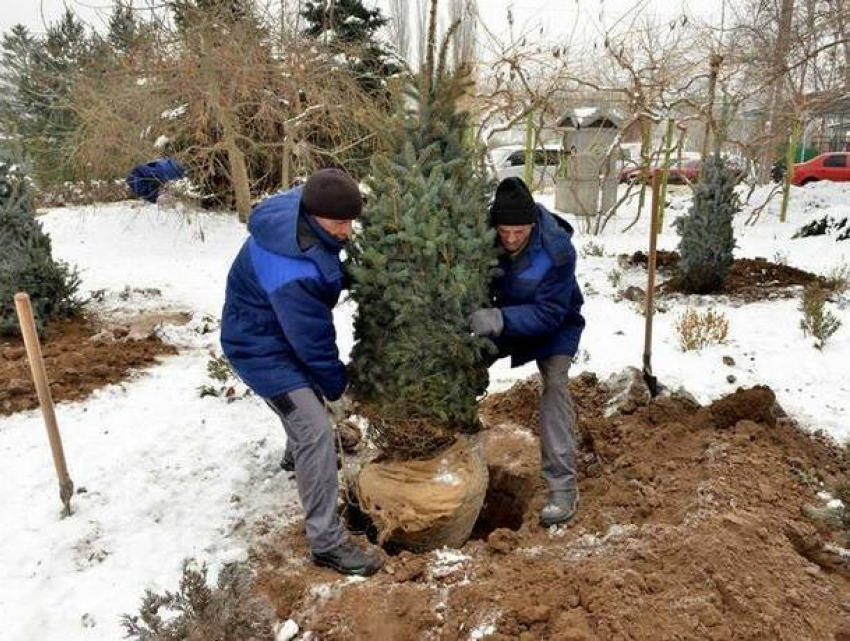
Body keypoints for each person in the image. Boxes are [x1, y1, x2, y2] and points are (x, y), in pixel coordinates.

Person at [220, 168, 382, 576]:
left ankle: (297, 457)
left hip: (273, 328)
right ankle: (326, 542)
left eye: (351, 222)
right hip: (258, 348)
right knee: (314, 428)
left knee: (306, 407)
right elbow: (312, 344)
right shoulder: (292, 270)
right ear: (316, 215)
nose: (347, 232)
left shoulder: (302, 207)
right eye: (340, 224)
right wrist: (336, 386)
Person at [470, 177, 585, 528]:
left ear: (532, 224)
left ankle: (563, 487)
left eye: (518, 232)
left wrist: (497, 317)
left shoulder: (557, 250)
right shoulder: (484, 237)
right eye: (504, 231)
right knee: (466, 362)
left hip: (555, 324)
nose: (510, 239)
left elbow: (549, 314)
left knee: (554, 387)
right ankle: (454, 449)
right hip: (505, 320)